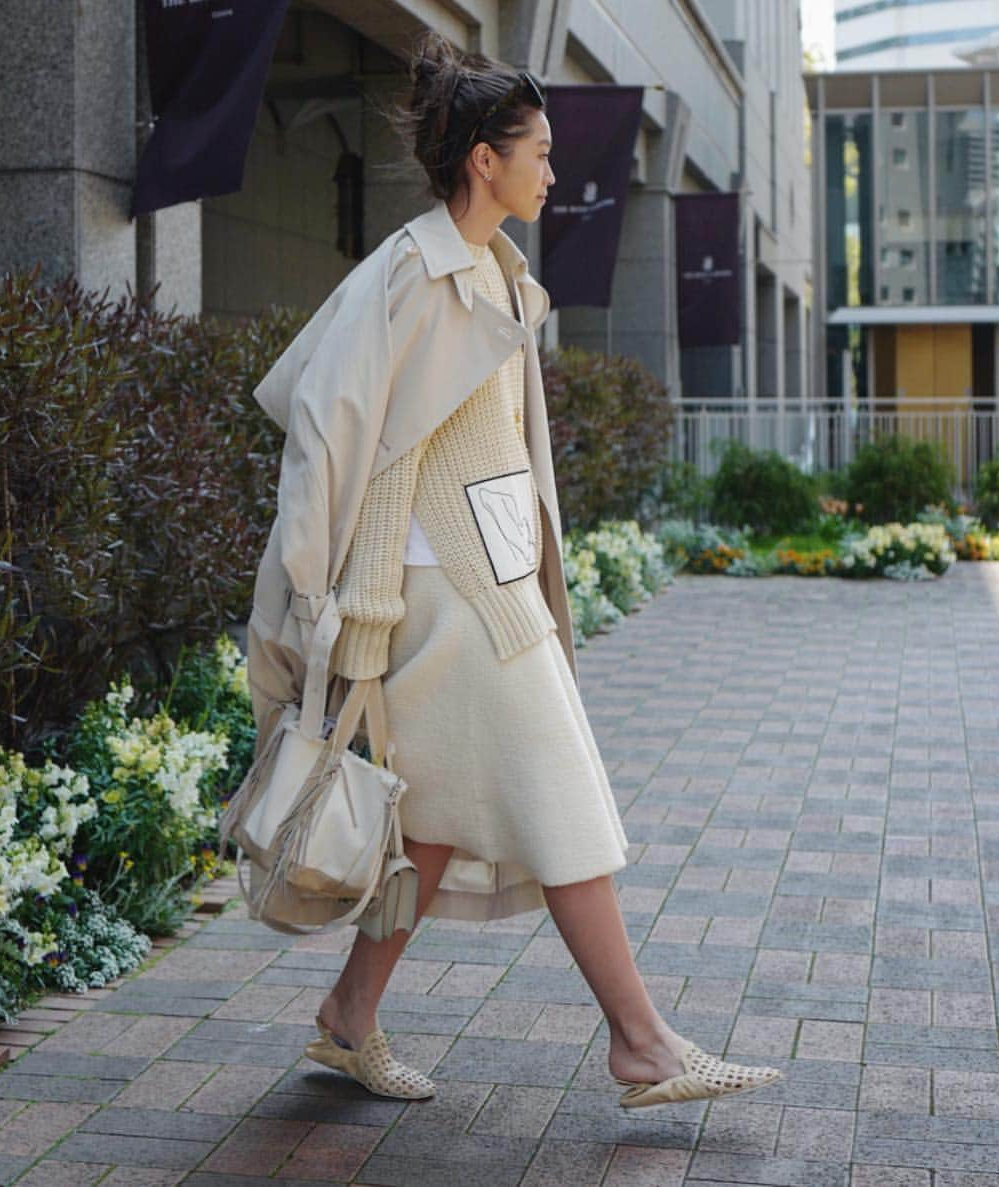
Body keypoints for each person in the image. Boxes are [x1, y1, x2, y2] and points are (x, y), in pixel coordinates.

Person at [265, 30, 782, 1110]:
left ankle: (347, 1018)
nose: (555, 169)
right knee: (561, 796)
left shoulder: (501, 275)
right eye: (538, 150)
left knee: (438, 821)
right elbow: (322, 425)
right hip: (438, 592)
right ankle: (640, 1040)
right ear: (482, 161)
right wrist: (311, 602)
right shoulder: (412, 272)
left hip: (490, 582)